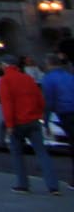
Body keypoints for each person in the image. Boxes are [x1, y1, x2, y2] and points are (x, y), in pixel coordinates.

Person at [0, 54, 62, 195]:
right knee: (42, 153)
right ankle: (53, 186)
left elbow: (7, 104)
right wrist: (40, 115)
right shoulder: (28, 78)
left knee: (17, 153)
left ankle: (23, 184)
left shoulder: (5, 80)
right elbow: (40, 99)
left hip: (17, 122)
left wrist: (9, 125)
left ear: (5, 66)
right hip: (33, 120)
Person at [41, 51, 74, 187]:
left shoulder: (48, 79)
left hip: (66, 113)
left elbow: (49, 102)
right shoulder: (69, 76)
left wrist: (46, 121)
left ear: (49, 64)